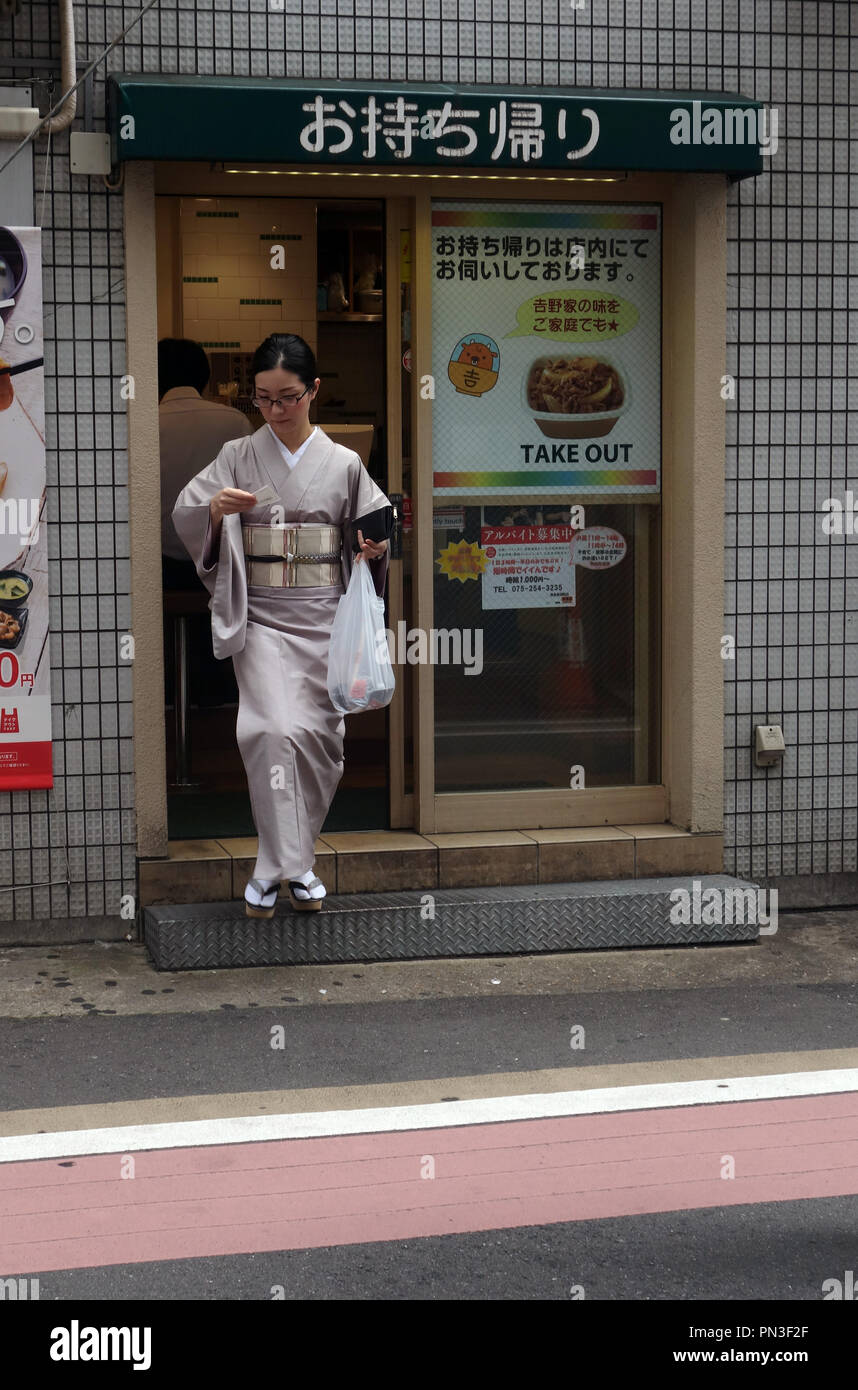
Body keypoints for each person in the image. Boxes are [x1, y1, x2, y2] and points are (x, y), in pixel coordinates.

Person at [171, 333, 392, 918]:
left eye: (288, 398)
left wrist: (371, 545)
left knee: (319, 742)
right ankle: (292, 868)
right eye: (263, 400)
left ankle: (278, 867)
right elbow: (189, 513)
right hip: (263, 615)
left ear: (313, 390)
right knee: (269, 729)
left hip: (323, 615)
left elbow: (375, 527)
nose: (274, 411)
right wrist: (215, 511)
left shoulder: (345, 463)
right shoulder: (238, 453)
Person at [159, 337, 252, 707]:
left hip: (160, 567)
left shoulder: (142, 422)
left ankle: (173, 697)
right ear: (205, 376)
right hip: (221, 570)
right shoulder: (235, 421)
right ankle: (219, 696)